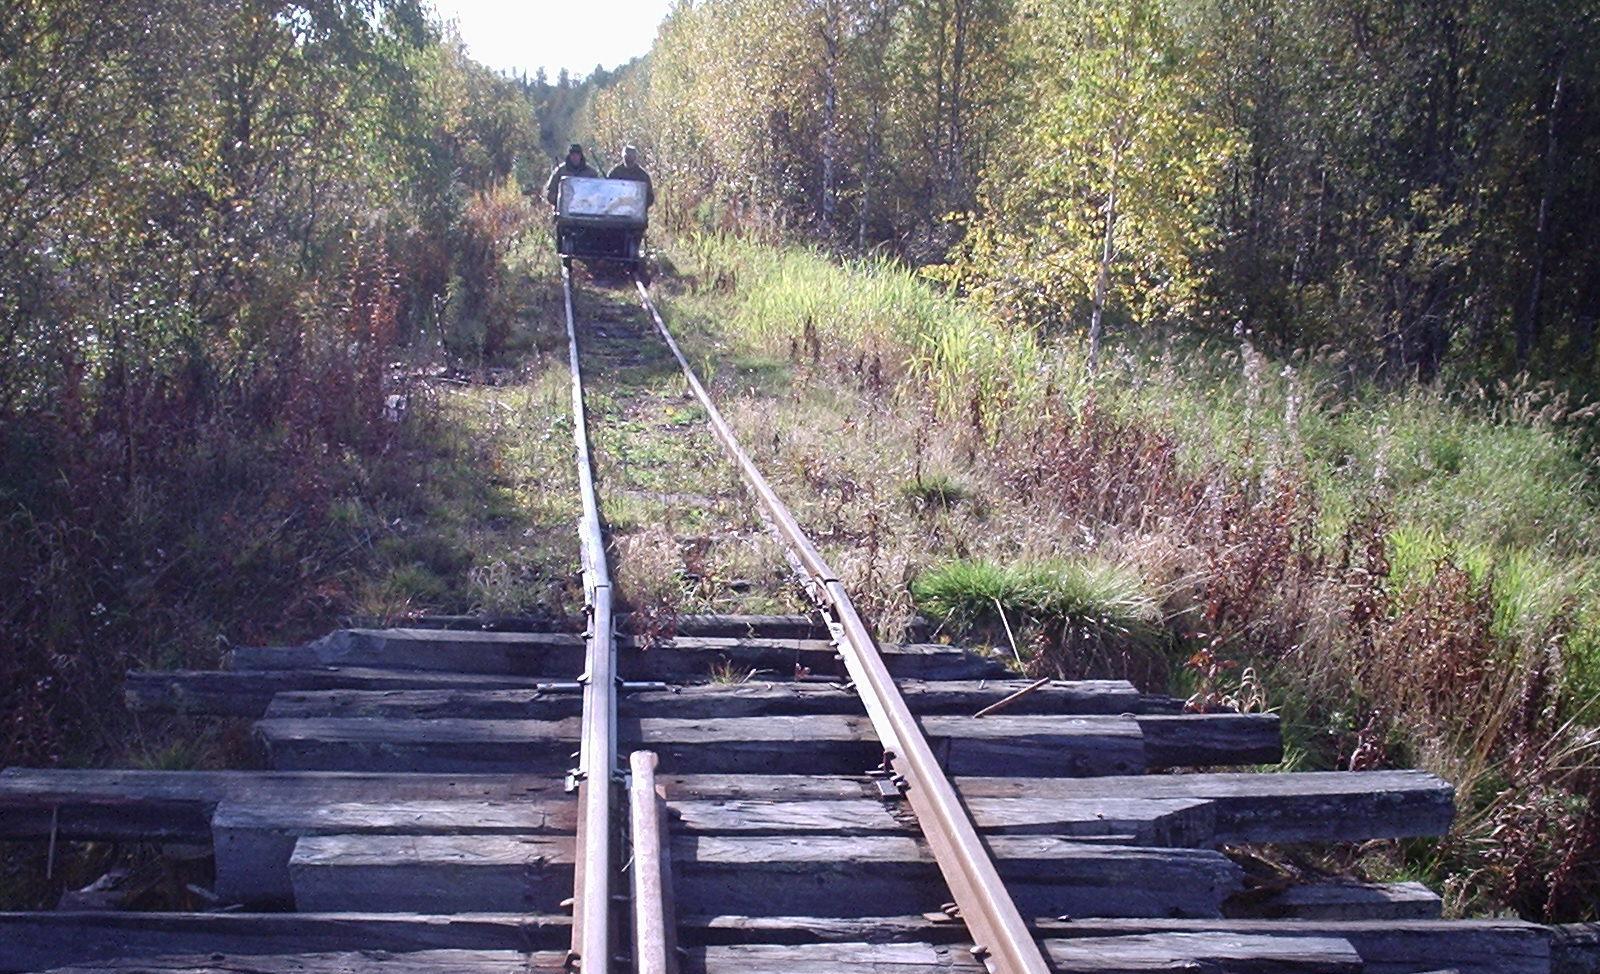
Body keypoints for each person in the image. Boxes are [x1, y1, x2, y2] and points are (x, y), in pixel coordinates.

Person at [545, 143, 598, 207]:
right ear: (569, 155)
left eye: (577, 154)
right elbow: (550, 194)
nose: (575, 157)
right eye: (572, 154)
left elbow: (598, 194)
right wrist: (561, 200)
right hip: (564, 212)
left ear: (581, 156)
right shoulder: (560, 171)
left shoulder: (591, 173)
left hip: (586, 210)